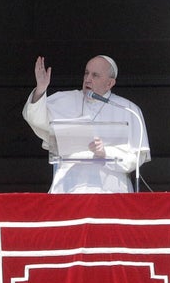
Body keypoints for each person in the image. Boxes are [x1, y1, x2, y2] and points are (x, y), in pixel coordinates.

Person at [22, 55, 150, 193]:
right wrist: (41, 90)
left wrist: (105, 152)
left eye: (95, 75)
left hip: (111, 190)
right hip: (69, 187)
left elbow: (136, 158)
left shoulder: (128, 110)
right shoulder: (66, 99)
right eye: (86, 73)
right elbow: (34, 118)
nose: (88, 79)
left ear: (110, 83)